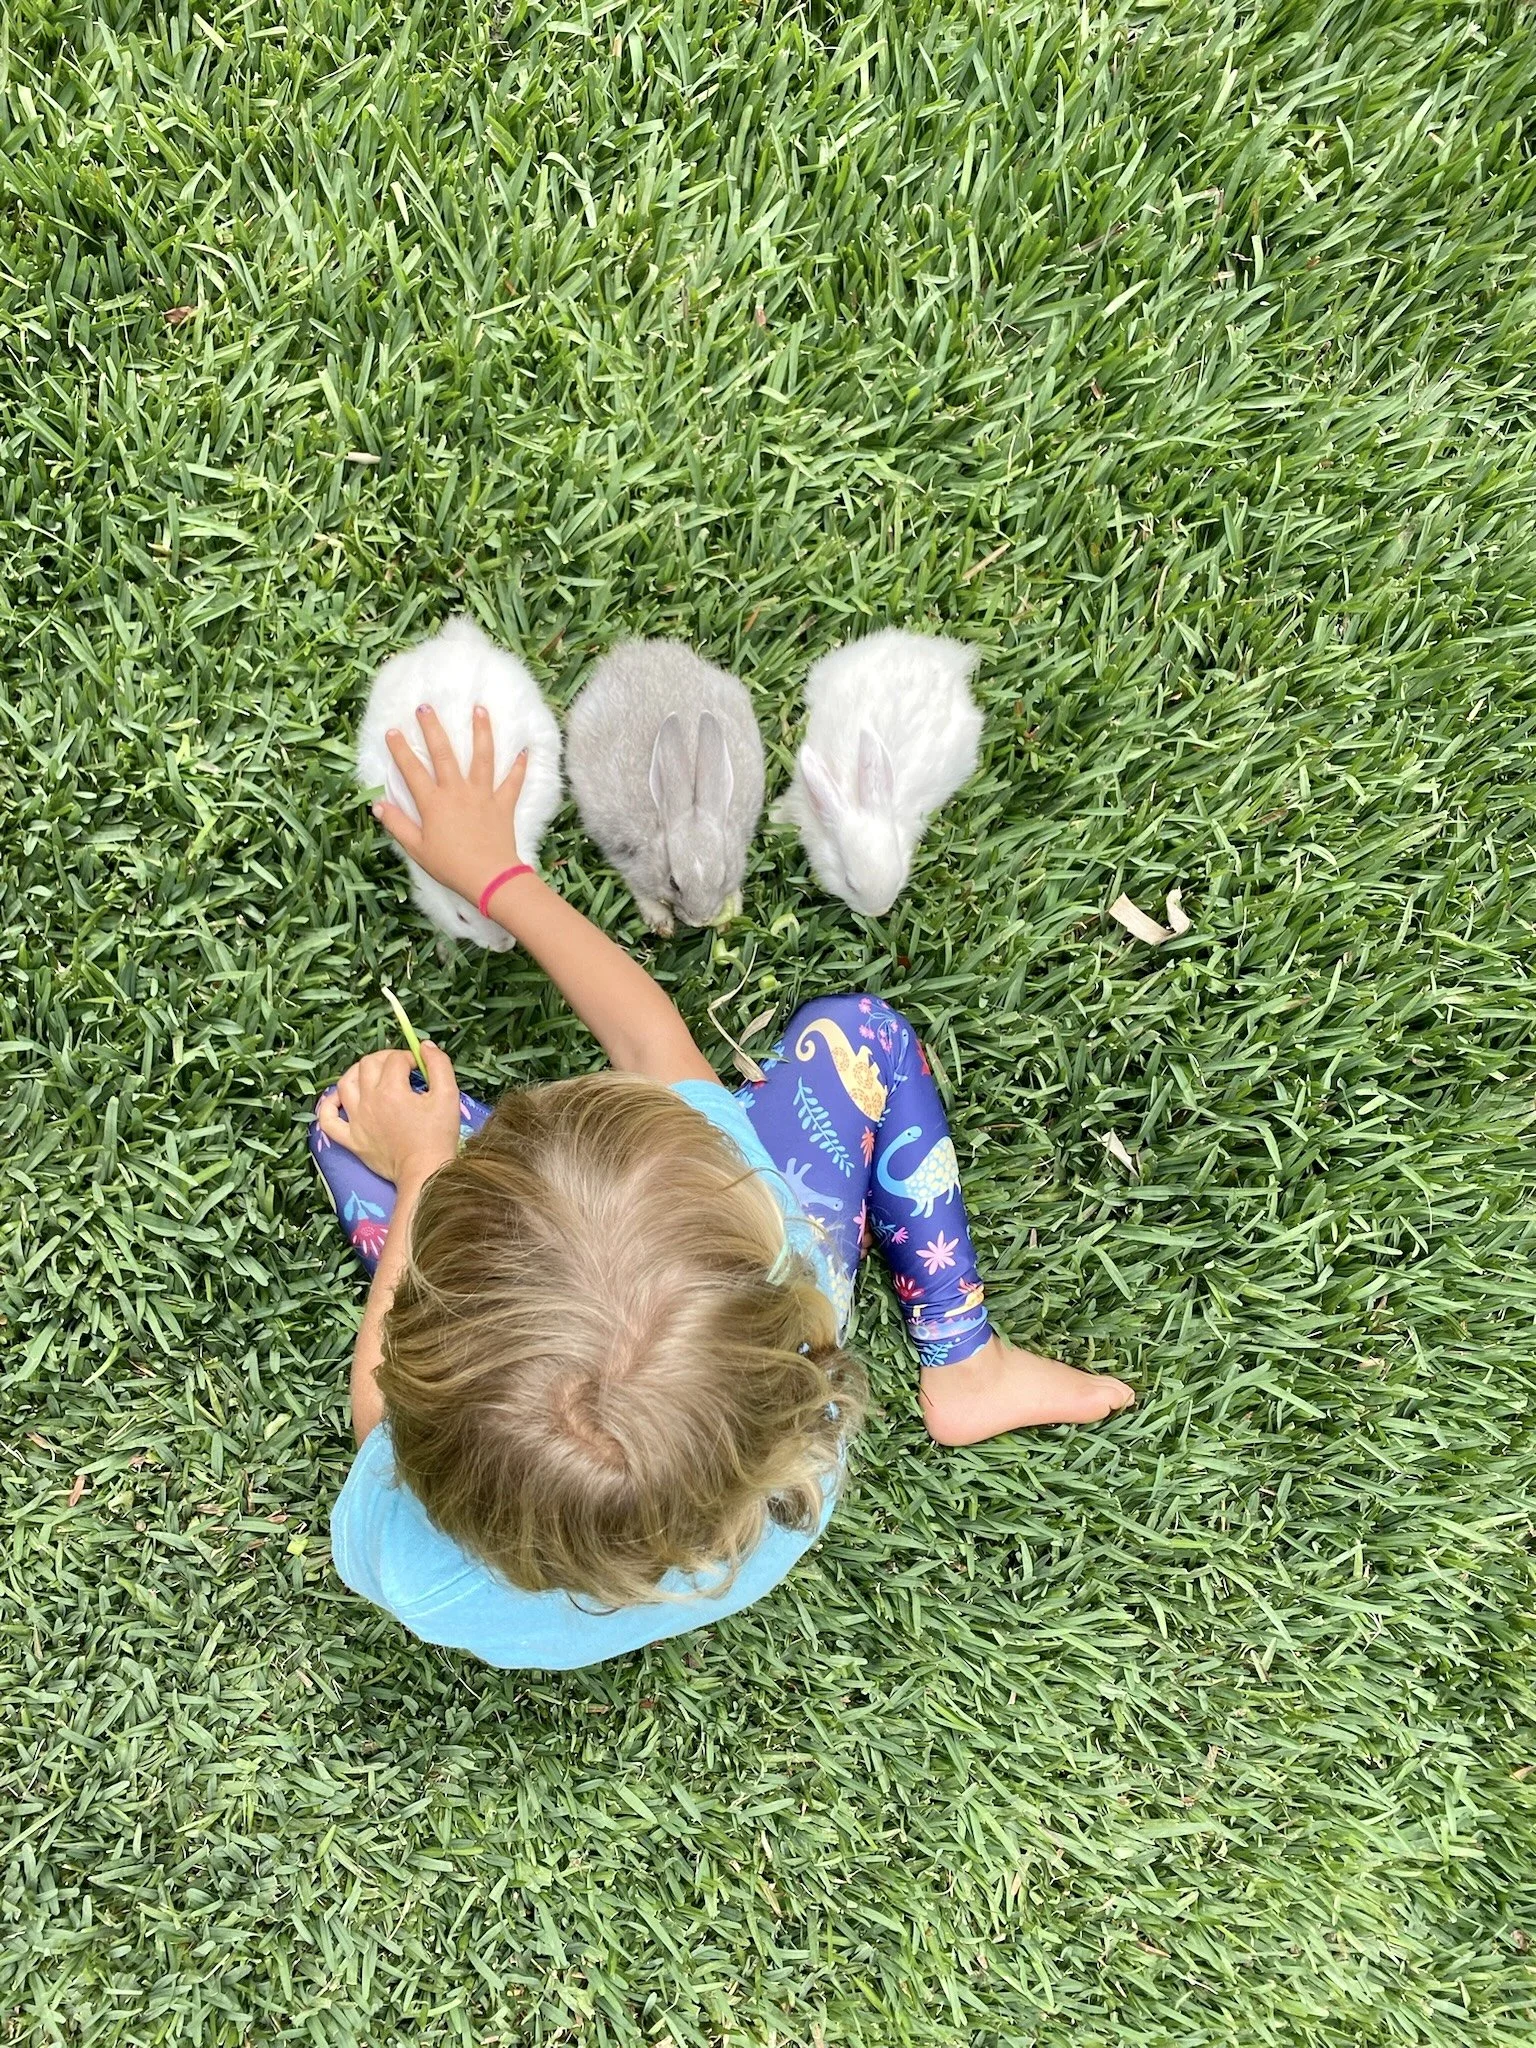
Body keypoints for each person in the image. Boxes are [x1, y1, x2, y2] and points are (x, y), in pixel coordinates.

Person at [310, 704, 1134, 1668]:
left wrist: (422, 1170)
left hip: (623, 1396)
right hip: (750, 1391)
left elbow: (376, 1420)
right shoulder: (783, 1398)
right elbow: (648, 1041)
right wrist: (501, 875)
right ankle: (965, 1358)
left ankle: (422, 1173)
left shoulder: (412, 1566)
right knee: (860, 1036)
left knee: (352, 1121)